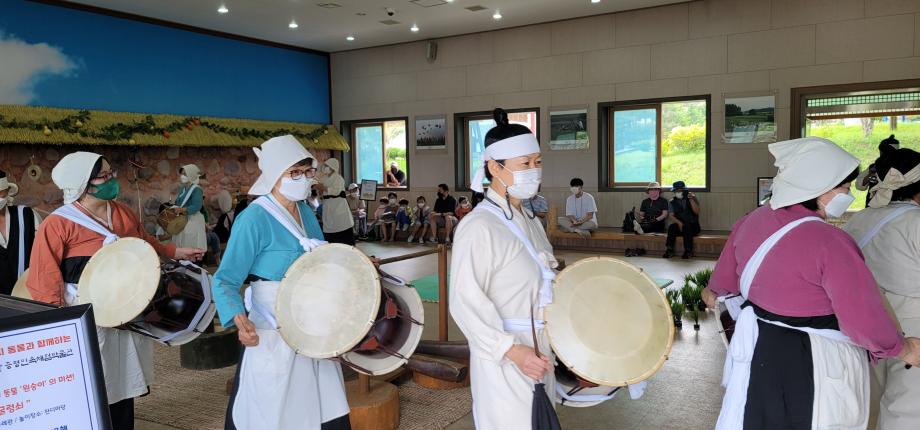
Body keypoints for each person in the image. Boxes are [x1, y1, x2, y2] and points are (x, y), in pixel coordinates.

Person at [701, 137, 920, 430]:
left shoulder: (752, 220)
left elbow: (719, 289)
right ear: (817, 187)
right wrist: (904, 348)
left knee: (763, 417)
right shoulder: (830, 241)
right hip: (814, 358)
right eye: (842, 187)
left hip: (762, 347)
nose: (848, 195)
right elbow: (861, 320)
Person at [27, 152, 204, 429]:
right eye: (104, 176)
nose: (112, 179)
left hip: (127, 313)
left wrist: (174, 252)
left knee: (122, 382)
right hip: (87, 318)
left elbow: (143, 242)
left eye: (111, 173)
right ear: (84, 184)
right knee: (93, 384)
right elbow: (44, 277)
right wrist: (59, 326)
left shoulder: (122, 212)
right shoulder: (58, 224)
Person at [212, 135, 351, 430]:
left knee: (324, 404)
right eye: (295, 173)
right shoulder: (253, 220)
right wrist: (241, 322)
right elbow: (225, 280)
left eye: (308, 172)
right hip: (273, 326)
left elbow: (319, 259)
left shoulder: (305, 212)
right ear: (275, 176)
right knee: (274, 411)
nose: (304, 179)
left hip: (313, 323)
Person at [449, 108, 558, 429]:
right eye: (524, 164)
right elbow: (465, 302)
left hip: (540, 346)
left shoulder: (529, 220)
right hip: (506, 355)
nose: (533, 171)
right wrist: (511, 350)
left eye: (537, 162)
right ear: (495, 168)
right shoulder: (478, 226)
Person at [842, 148, 920, 430]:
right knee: (908, 409)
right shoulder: (916, 222)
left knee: (872, 401)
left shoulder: (857, 220)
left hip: (867, 324)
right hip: (913, 326)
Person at [0, 170, 40, 295]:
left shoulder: (27, 216)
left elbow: (43, 256)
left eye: (0, 193)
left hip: (26, 295)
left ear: (7, 192)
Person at [856, 135, 900, 207]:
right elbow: (860, 186)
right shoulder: (874, 167)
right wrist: (870, 173)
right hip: (874, 205)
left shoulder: (902, 166)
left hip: (894, 204)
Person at [319, 158, 355, 245]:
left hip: (338, 205)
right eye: (325, 166)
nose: (326, 168)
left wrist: (321, 187)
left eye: (327, 166)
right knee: (329, 227)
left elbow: (336, 191)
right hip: (327, 205)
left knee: (342, 226)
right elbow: (321, 192)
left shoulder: (338, 178)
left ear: (332, 167)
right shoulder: (323, 178)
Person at [171, 164, 208, 250]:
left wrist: (182, 209)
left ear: (191, 175)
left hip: (192, 221)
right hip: (182, 220)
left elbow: (196, 206)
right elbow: (178, 202)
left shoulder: (197, 189)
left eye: (185, 174)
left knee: (190, 246)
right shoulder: (183, 189)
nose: (182, 176)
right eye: (182, 174)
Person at [664, 181, 701, 259]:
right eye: (676, 191)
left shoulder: (692, 198)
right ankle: (669, 250)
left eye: (680, 191)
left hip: (693, 226)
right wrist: (679, 223)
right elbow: (671, 215)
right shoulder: (672, 202)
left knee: (687, 227)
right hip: (680, 225)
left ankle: (688, 251)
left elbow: (697, 211)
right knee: (671, 227)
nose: (678, 192)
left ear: (684, 190)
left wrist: (691, 199)